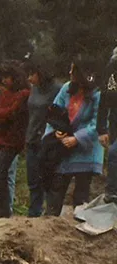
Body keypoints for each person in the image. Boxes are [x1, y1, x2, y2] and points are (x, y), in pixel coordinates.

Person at [44, 59, 104, 216]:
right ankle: (50, 220)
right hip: (64, 147)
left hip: (86, 149)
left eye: (73, 70)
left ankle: (79, 225)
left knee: (81, 192)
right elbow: (55, 112)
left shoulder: (97, 94)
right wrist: (56, 131)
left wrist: (77, 138)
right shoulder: (66, 89)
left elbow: (98, 122)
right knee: (57, 187)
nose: (69, 73)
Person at [0, 64, 30, 218]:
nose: (4, 80)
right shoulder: (4, 94)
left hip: (11, 141)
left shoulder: (24, 94)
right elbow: (1, 111)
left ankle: (5, 211)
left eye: (7, 77)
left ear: (15, 78)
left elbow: (11, 113)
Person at [25, 60, 61, 217]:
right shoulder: (33, 89)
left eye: (31, 74)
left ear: (41, 73)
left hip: (47, 140)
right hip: (31, 137)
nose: (28, 78)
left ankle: (50, 212)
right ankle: (34, 211)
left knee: (47, 177)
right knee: (32, 177)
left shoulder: (57, 89)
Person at [97, 46, 117, 203]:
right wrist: (101, 129)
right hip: (114, 125)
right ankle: (111, 194)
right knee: (113, 154)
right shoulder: (111, 70)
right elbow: (104, 100)